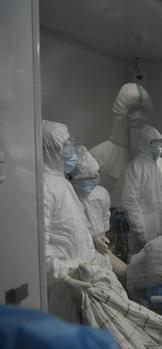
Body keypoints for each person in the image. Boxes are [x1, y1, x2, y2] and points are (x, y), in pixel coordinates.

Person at [42, 120, 111, 323]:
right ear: (50, 149)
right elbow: (39, 247)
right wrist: (63, 277)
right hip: (61, 288)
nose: (72, 149)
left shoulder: (61, 183)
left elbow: (69, 229)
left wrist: (92, 242)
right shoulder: (45, 187)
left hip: (79, 277)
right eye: (66, 145)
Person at [69, 145, 128, 284]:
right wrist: (91, 239)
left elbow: (104, 223)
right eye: (83, 180)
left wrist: (103, 239)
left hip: (101, 253)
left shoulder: (101, 194)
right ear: (71, 178)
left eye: (92, 178)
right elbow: (66, 233)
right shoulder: (67, 197)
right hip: (77, 257)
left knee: (120, 279)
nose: (89, 184)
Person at [121, 125, 162, 255]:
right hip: (146, 228)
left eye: (159, 143)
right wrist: (140, 230)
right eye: (153, 143)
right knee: (144, 262)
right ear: (144, 144)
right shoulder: (135, 167)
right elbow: (131, 202)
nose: (157, 147)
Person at [90, 82, 154, 207]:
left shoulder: (156, 158)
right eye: (135, 125)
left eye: (142, 125)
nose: (139, 131)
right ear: (121, 120)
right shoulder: (98, 157)